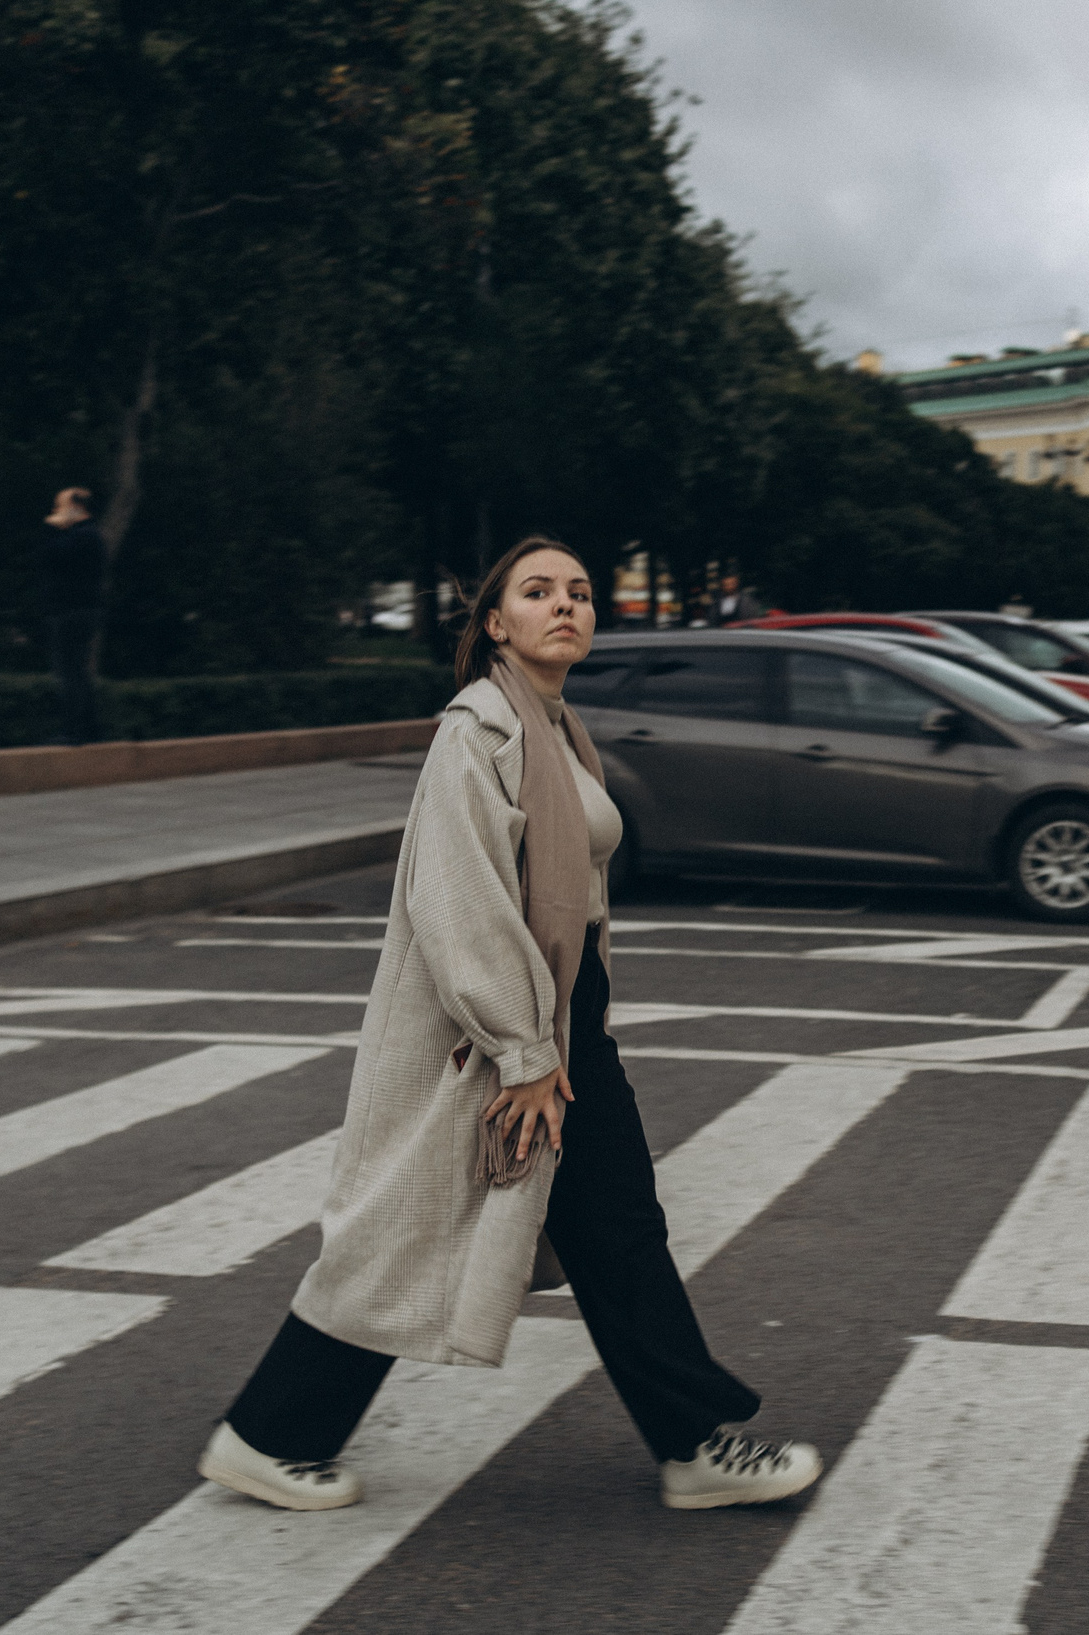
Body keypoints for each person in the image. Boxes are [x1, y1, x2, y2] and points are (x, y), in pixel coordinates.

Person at [198, 534, 820, 1514]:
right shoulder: (480, 732)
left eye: (577, 591)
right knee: (413, 1229)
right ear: (496, 623)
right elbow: (462, 905)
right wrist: (527, 1053)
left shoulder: (551, 725)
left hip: (564, 1029)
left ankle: (691, 1443)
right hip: (505, 1039)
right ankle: (269, 1435)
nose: (565, 605)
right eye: (537, 592)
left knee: (614, 1232)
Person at [40, 487, 105, 745]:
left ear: (75, 508)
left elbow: (50, 557)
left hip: (72, 614)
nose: (55, 512)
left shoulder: (83, 535)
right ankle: (89, 730)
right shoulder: (86, 535)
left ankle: (74, 732)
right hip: (78, 613)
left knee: (69, 673)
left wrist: (50, 527)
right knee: (77, 671)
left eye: (59, 506)